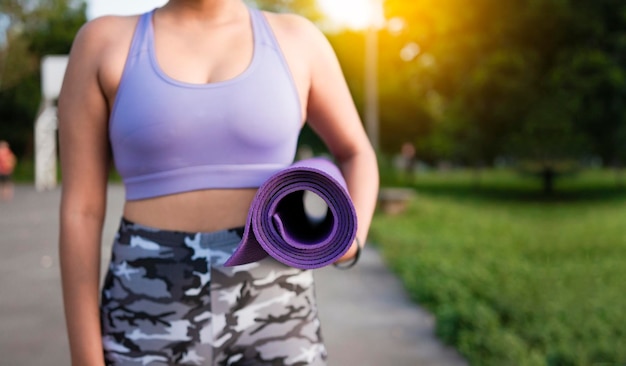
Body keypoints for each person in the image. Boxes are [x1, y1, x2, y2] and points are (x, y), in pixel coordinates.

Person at [57, 0, 379, 364]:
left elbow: (356, 152)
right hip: (145, 299)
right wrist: (85, 358)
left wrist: (352, 240)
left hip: (276, 301)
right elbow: (80, 211)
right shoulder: (103, 42)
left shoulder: (298, 39)